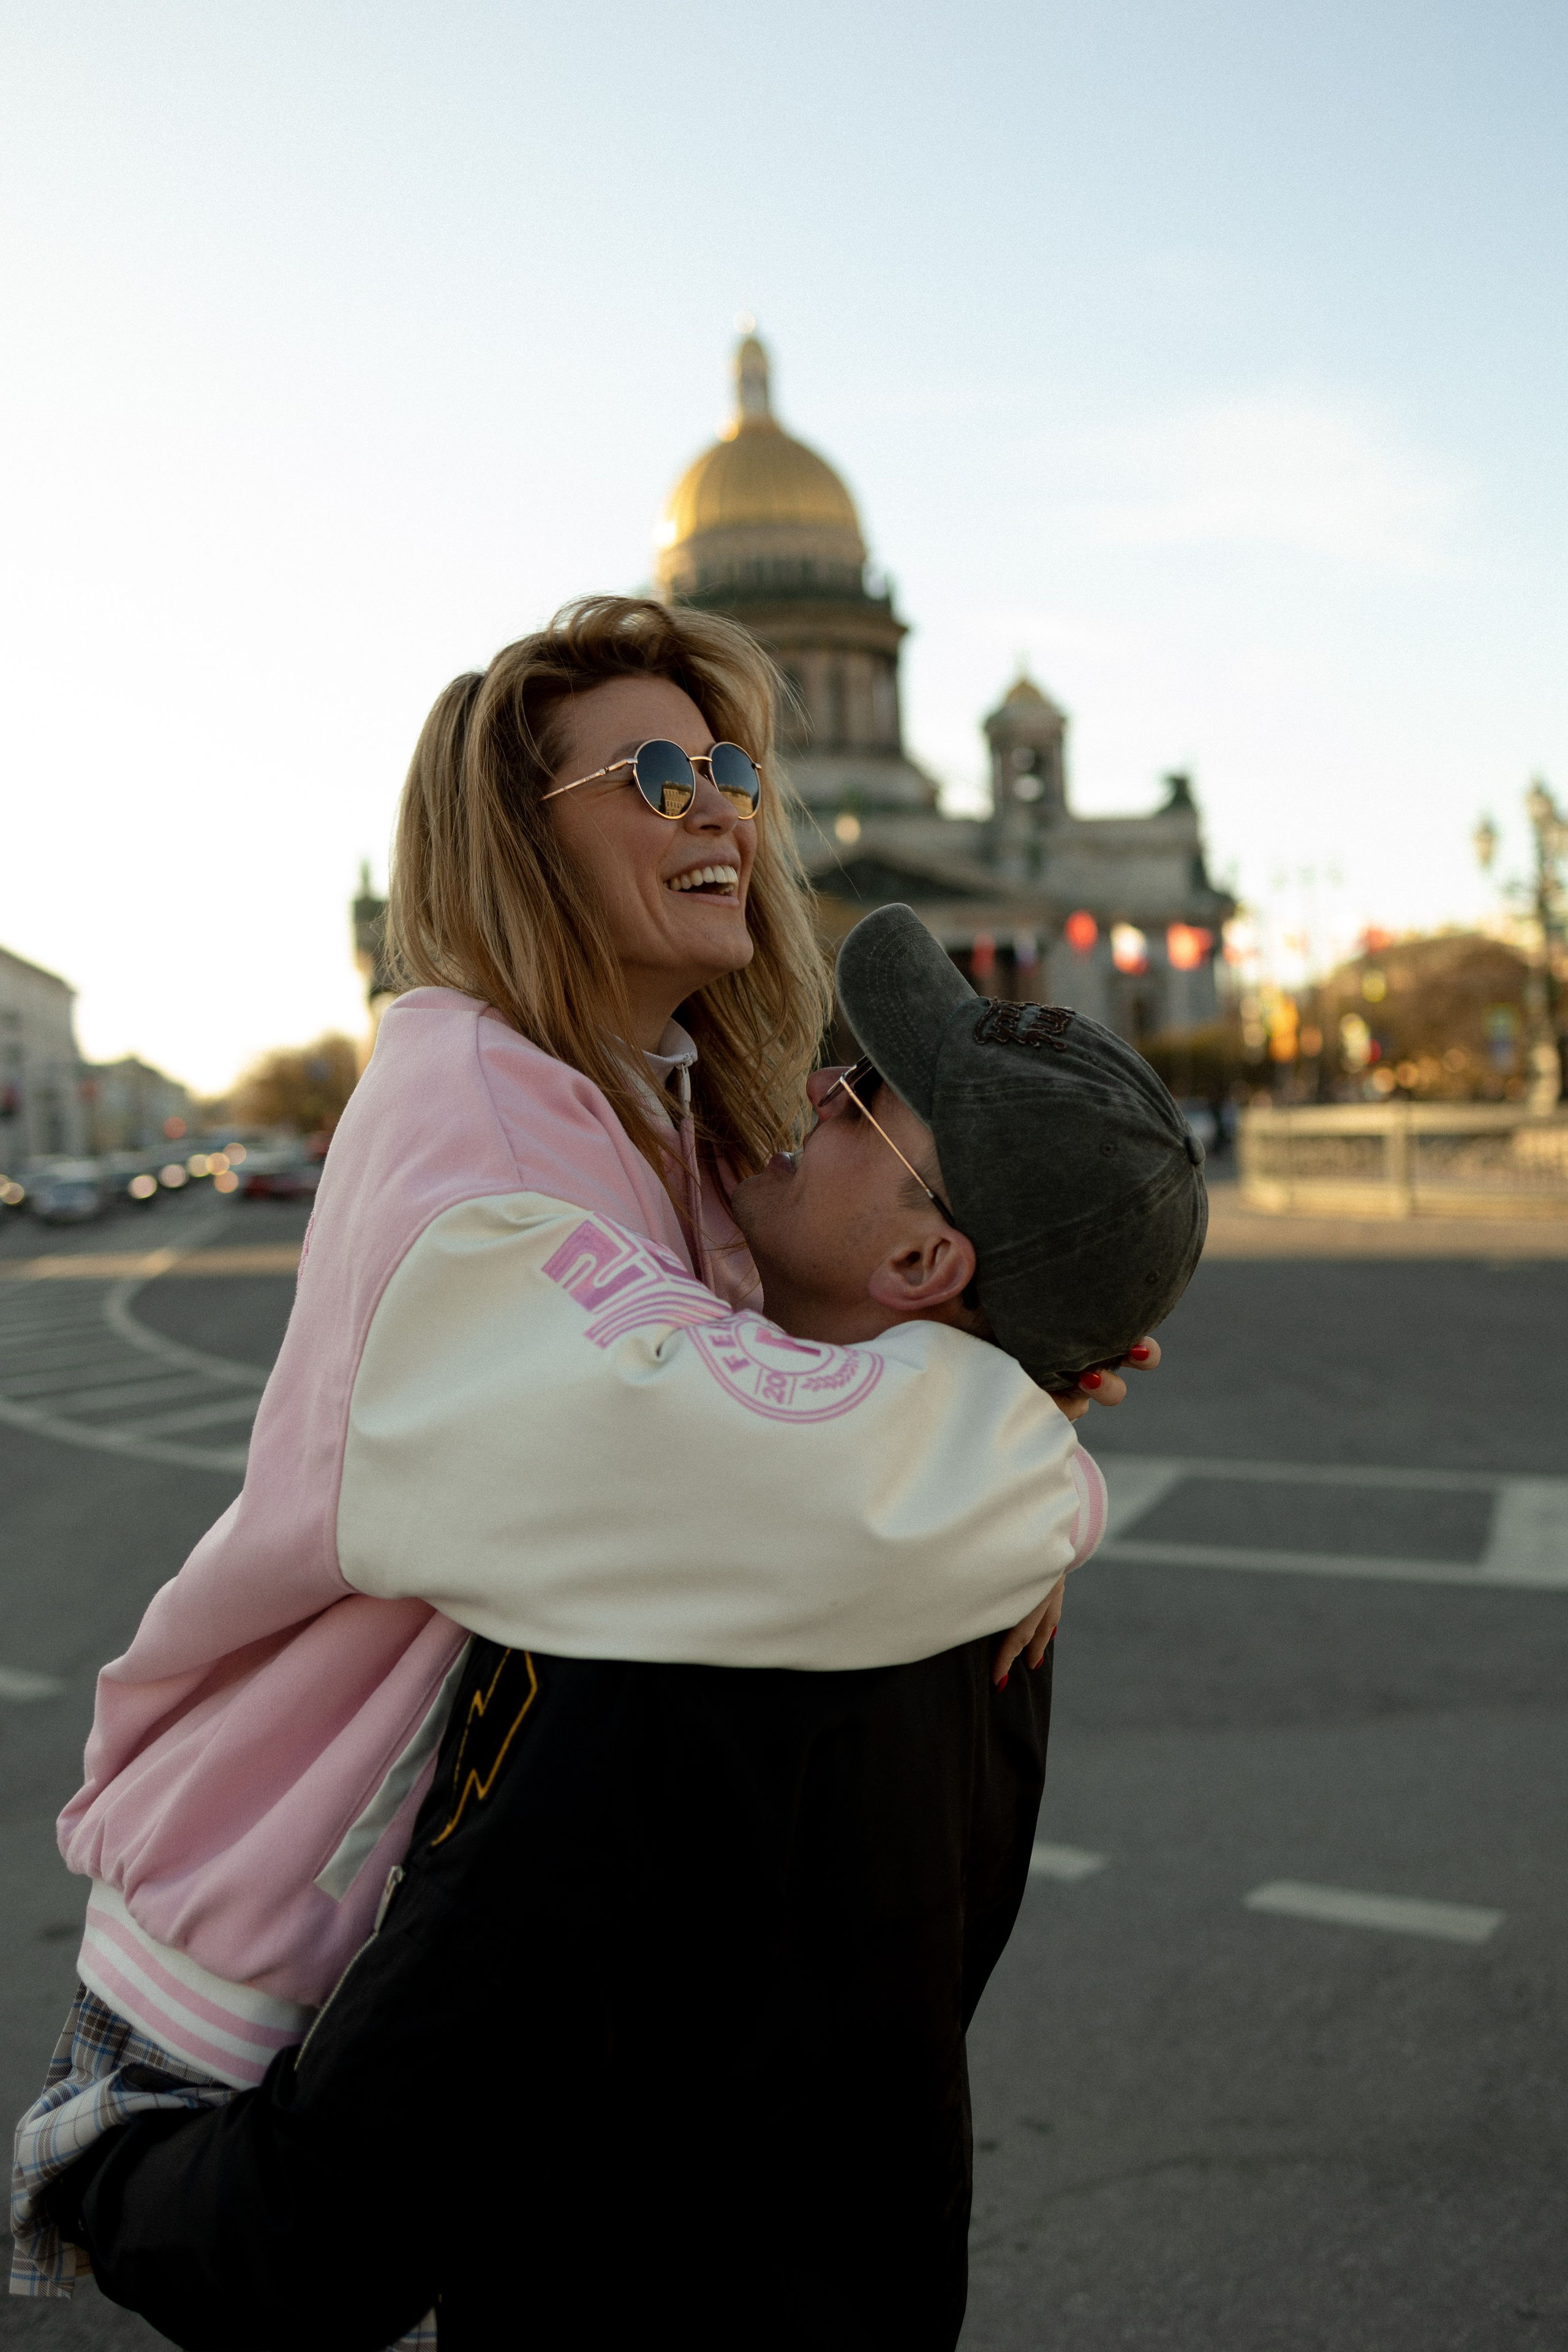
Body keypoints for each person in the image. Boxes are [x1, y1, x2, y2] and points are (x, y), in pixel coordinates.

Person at [12, 601, 1155, 2318]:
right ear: (517, 844)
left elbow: (765, 1378)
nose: (724, 807)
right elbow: (717, 1450)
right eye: (657, 774)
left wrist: (1014, 1364)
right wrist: (1027, 1442)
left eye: (733, 769)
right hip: (261, 1930)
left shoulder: (649, 1102)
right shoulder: (478, 1106)